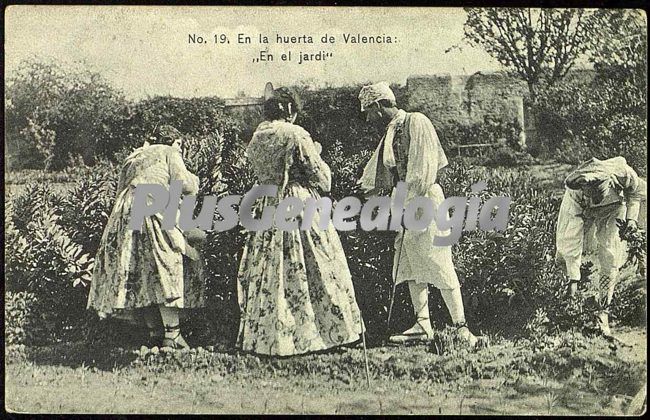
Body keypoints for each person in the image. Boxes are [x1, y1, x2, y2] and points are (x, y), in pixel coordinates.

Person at [237, 86, 364, 356]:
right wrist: (316, 151)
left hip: (267, 204)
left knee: (273, 270)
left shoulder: (257, 136)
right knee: (314, 266)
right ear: (291, 110)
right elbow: (324, 180)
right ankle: (319, 334)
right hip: (296, 202)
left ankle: (270, 338)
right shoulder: (295, 134)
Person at [358, 82, 479, 346]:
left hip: (424, 201)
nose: (368, 118)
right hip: (405, 202)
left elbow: (422, 172)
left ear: (379, 106)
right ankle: (423, 324)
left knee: (437, 259)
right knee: (410, 264)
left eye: (369, 111)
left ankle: (461, 328)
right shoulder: (390, 133)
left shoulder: (416, 122)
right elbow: (379, 173)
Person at [87, 125, 206, 349]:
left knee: (140, 269)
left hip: (125, 211)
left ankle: (154, 333)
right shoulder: (170, 152)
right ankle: (172, 336)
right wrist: (195, 180)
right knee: (166, 265)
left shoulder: (133, 156)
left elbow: (120, 189)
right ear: (174, 141)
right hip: (152, 203)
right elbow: (186, 186)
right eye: (179, 144)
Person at [556, 156, 646, 336]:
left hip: (613, 209)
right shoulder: (575, 193)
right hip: (582, 211)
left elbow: (636, 193)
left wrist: (631, 220)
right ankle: (567, 302)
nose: (595, 198)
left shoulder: (622, 174)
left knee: (610, 254)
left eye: (599, 193)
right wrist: (574, 278)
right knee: (563, 254)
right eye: (591, 193)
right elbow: (571, 238)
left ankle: (603, 310)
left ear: (608, 182)